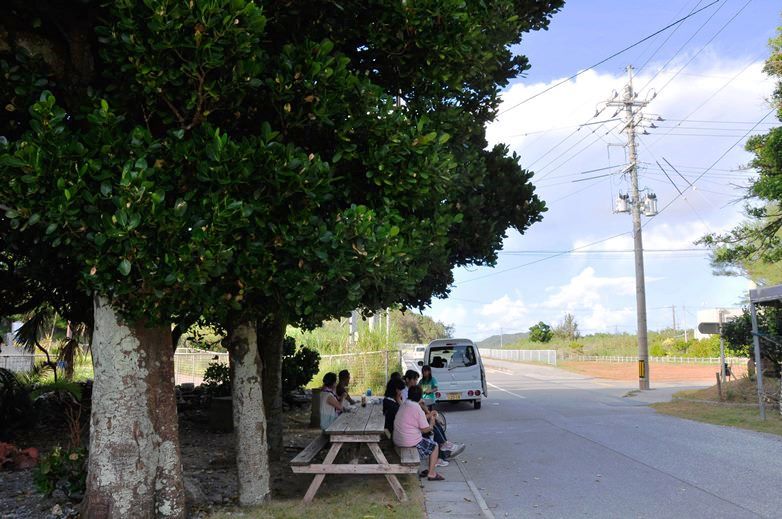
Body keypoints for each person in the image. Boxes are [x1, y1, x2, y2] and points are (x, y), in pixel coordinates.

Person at [393, 385, 444, 481]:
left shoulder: (405, 404)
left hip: (397, 439)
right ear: (420, 397)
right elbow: (425, 429)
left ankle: (430, 470)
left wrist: (429, 414)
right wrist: (432, 422)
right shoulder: (417, 408)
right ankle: (432, 473)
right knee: (434, 446)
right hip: (408, 442)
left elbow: (414, 419)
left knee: (427, 441)